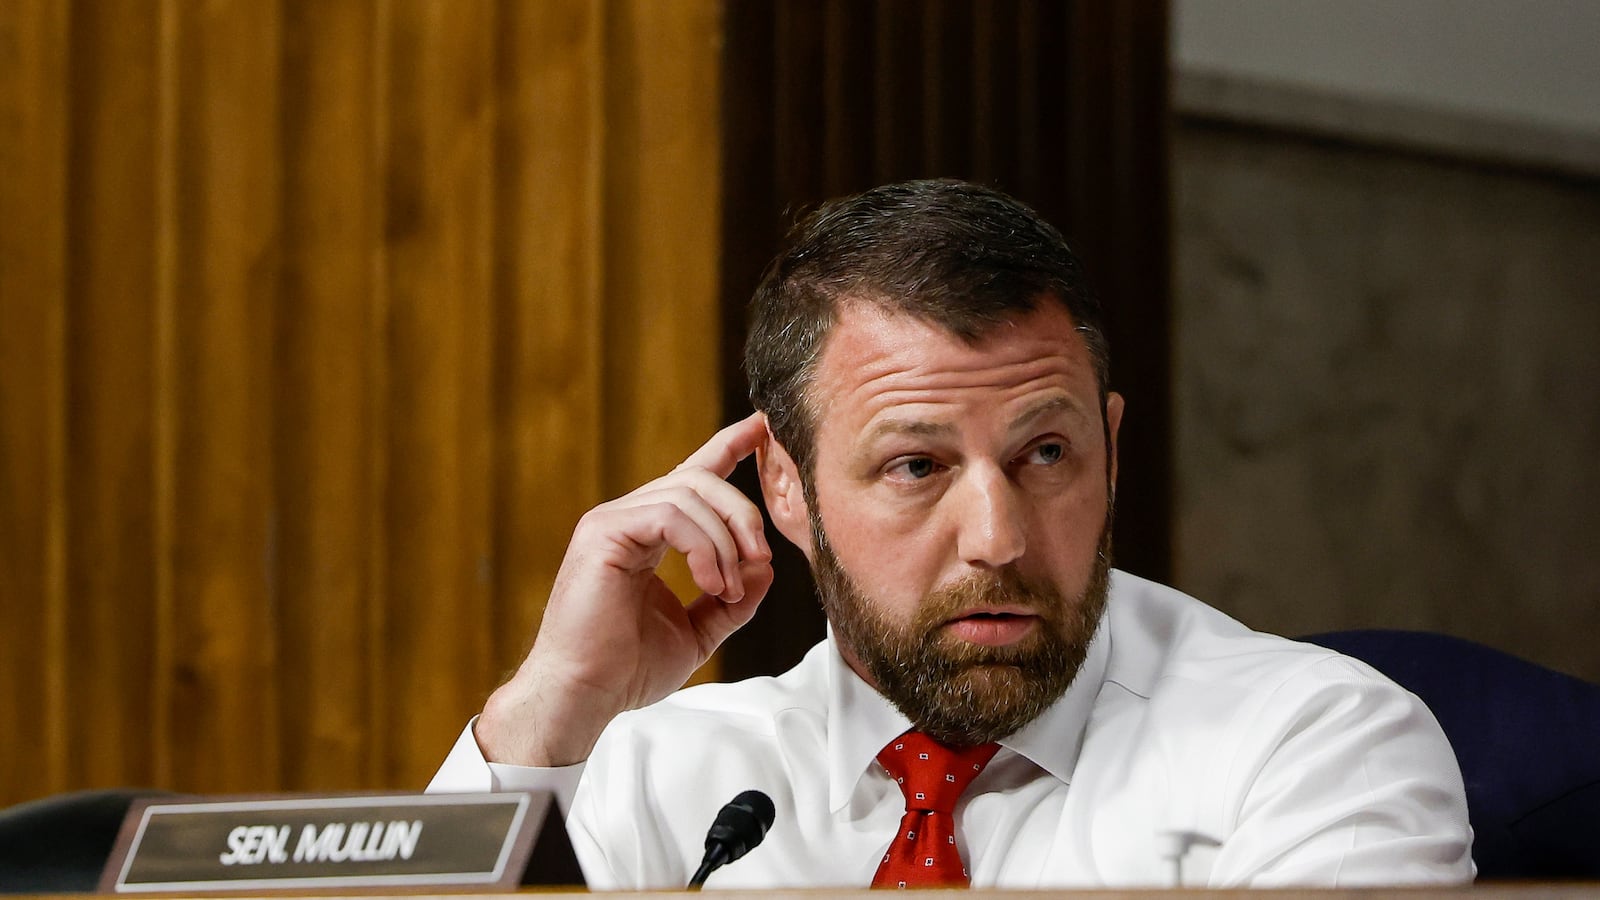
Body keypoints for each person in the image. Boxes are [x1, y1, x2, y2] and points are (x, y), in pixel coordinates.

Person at [429, 179, 1473, 888]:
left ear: (1110, 451)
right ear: (785, 488)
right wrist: (545, 716)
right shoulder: (659, 775)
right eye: (917, 467)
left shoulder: (1314, 747)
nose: (997, 539)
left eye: (1046, 454)